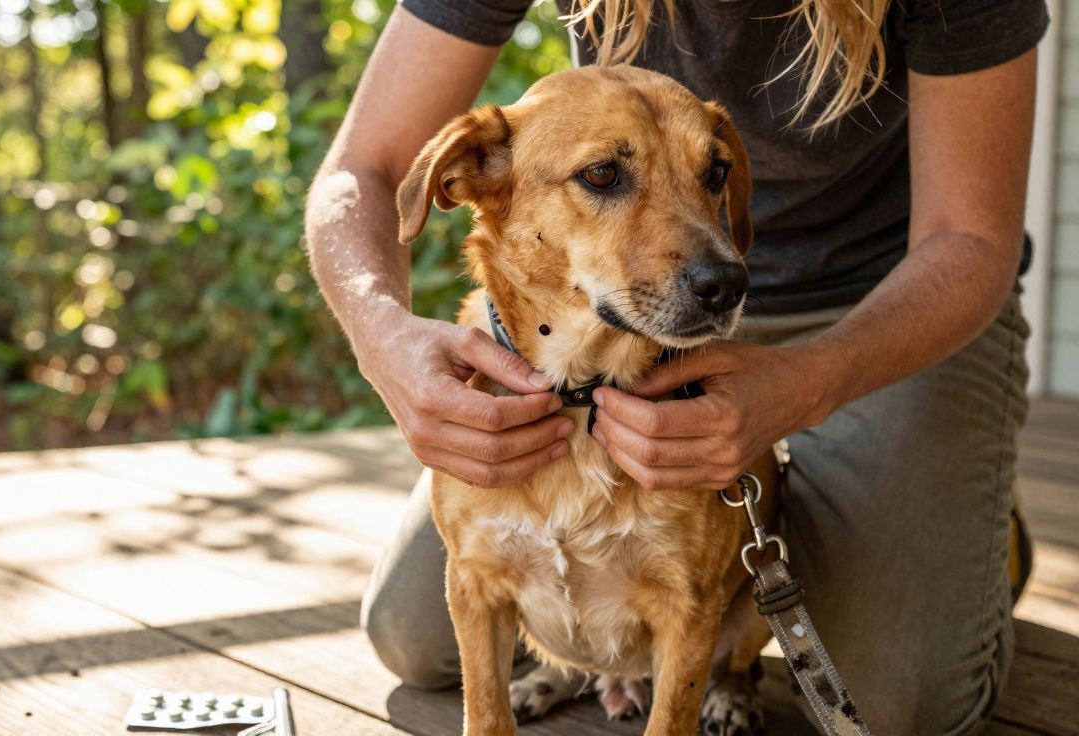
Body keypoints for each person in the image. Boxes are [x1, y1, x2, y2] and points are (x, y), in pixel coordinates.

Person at [304, 0, 1047, 732]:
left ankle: (963, 506)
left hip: (892, 303)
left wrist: (810, 383)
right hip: (597, 323)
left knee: (903, 703)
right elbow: (366, 165)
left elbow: (973, 237)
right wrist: (383, 337)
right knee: (410, 638)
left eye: (711, 173)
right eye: (604, 177)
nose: (691, 223)